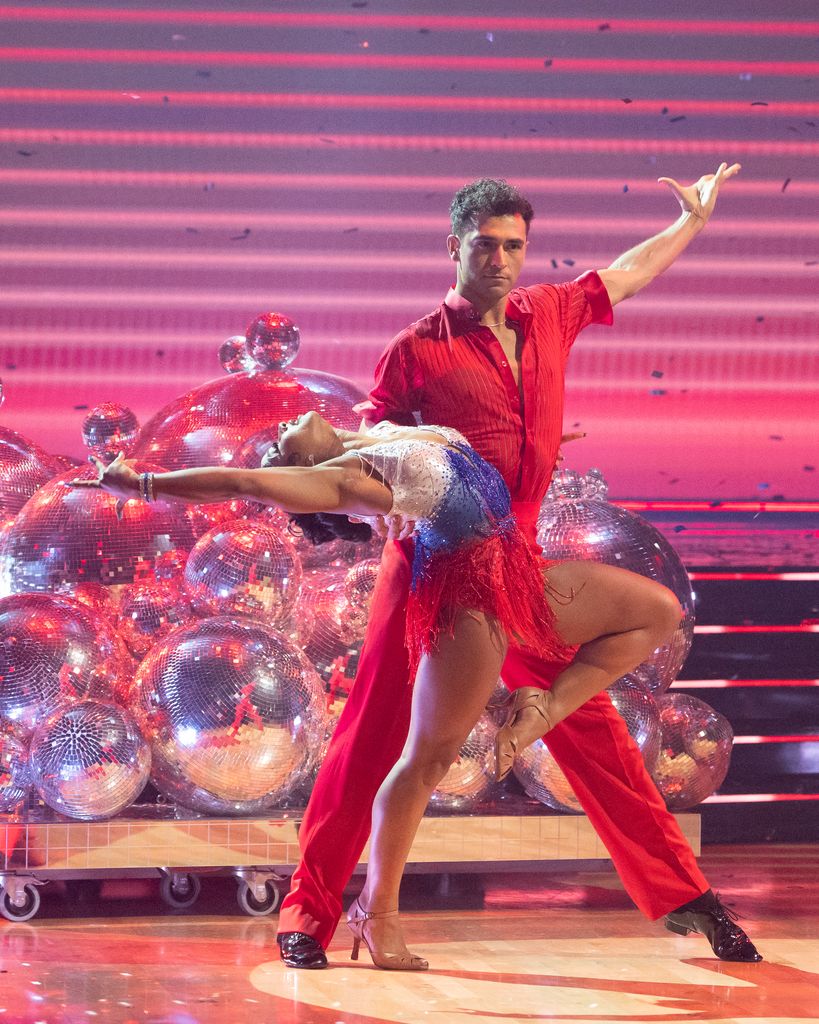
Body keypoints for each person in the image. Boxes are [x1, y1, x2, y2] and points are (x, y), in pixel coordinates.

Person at [274, 163, 762, 969]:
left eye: (512, 246)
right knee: (372, 736)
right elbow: (368, 449)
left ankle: (682, 896)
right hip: (430, 562)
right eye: (483, 245)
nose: (498, 259)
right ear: (454, 247)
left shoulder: (550, 313)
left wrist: (690, 226)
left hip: (520, 556)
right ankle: (310, 912)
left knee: (590, 722)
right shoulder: (415, 350)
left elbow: (627, 274)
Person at [76, 410, 689, 970]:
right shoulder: (347, 480)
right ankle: (378, 911)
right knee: (426, 762)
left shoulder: (381, 439)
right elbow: (245, 484)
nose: (286, 424)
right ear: (301, 468)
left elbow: (468, 455)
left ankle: (542, 708)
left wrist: (542, 446)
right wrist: (142, 485)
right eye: (280, 444)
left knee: (656, 611)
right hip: (467, 605)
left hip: (521, 579)